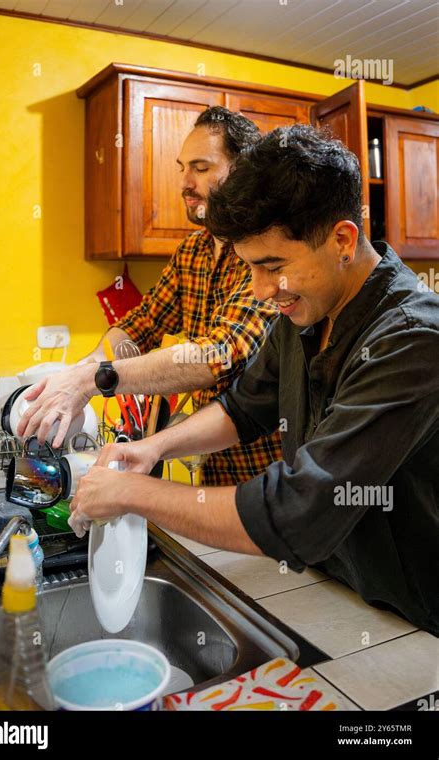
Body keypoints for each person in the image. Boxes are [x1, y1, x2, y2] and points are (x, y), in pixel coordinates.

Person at [70, 124, 439, 635]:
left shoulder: (414, 339)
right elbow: (244, 409)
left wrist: (130, 492)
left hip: (418, 624)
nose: (263, 291)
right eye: (250, 270)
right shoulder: (305, 311)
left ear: (342, 241)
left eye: (273, 266)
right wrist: (153, 450)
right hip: (338, 592)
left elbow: (300, 511)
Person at [17, 107, 282, 486]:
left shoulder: (267, 250)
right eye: (182, 168)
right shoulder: (193, 250)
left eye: (201, 168)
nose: (185, 183)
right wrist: (78, 373)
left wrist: (95, 379)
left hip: (270, 478)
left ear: (242, 172)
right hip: (213, 476)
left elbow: (217, 354)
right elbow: (138, 328)